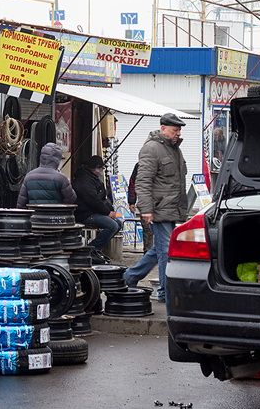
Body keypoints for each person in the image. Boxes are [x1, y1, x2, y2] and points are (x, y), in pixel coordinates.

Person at [123, 113, 187, 303]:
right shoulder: (151, 149)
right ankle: (165, 293)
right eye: (175, 130)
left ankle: (129, 277)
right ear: (163, 128)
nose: (178, 133)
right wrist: (146, 209)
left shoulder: (175, 149)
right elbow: (143, 181)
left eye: (179, 130)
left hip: (170, 209)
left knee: (159, 249)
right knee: (166, 252)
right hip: (158, 210)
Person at [72, 155, 123, 263]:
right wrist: (107, 212)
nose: (101, 171)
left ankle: (96, 250)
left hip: (93, 211)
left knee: (118, 224)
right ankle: (91, 250)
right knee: (112, 225)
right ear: (95, 167)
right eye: (100, 168)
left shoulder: (91, 177)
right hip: (85, 213)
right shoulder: (85, 180)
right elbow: (93, 200)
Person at [16, 143, 76, 208]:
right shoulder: (61, 178)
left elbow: (21, 204)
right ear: (57, 160)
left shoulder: (29, 177)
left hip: (34, 216)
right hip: (56, 216)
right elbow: (71, 199)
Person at [127, 163, 153, 253]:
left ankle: (153, 254)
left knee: (157, 230)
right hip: (146, 202)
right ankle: (148, 254)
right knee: (148, 229)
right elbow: (133, 183)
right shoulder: (140, 165)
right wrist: (131, 201)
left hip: (160, 203)